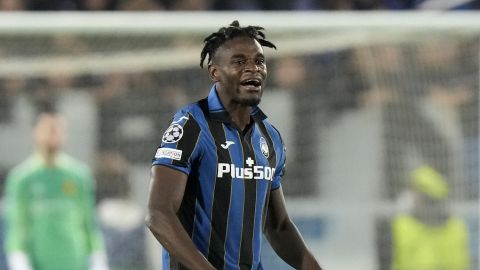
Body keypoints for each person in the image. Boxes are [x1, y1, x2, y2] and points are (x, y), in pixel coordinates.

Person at [146, 20, 323, 270]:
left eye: (259, 61)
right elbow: (159, 214)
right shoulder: (191, 125)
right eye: (239, 62)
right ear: (214, 72)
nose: (253, 69)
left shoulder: (269, 137)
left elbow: (278, 225)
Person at [3, 110, 109, 270]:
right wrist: (19, 262)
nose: (53, 134)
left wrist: (98, 261)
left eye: (58, 129)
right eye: (48, 129)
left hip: (75, 262)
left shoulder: (79, 176)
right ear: (35, 132)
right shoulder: (22, 179)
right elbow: (17, 228)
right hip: (38, 262)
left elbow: (90, 225)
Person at [391, 165, 470, 270]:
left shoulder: (455, 228)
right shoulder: (400, 225)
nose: (410, 195)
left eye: (415, 191)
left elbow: (460, 264)